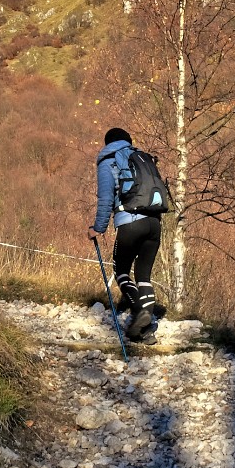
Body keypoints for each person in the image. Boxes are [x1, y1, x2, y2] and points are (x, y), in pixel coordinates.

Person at [88, 128, 161, 344]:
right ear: (128, 141)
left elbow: (105, 198)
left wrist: (98, 228)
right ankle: (145, 331)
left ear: (108, 143)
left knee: (121, 270)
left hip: (130, 222)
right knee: (144, 276)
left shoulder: (109, 160)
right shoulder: (142, 158)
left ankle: (139, 311)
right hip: (154, 223)